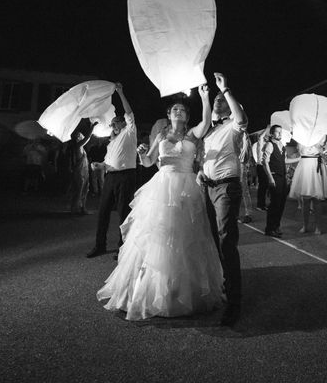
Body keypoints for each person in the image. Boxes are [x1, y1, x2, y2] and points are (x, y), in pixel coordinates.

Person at [97, 85, 224, 320]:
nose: (178, 111)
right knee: (159, 237)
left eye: (182, 110)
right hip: (162, 186)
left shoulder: (192, 135)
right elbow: (147, 162)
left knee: (186, 237)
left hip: (186, 189)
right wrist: (142, 151)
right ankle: (154, 289)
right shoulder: (161, 136)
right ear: (168, 115)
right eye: (174, 109)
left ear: (186, 116)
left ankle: (182, 290)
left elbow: (206, 122)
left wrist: (205, 97)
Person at [197, 73, 248, 326]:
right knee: (214, 240)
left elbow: (242, 119)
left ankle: (235, 302)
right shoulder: (208, 130)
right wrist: (200, 170)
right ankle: (223, 286)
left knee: (227, 241)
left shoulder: (233, 125)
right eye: (216, 98)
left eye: (222, 99)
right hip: (207, 187)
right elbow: (205, 157)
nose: (218, 100)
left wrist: (225, 89)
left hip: (227, 188)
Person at [86, 83, 137, 259]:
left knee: (123, 212)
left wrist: (121, 93)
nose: (113, 125)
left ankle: (123, 247)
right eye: (112, 124)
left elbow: (129, 113)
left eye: (116, 122)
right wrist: (99, 165)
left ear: (123, 123)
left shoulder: (129, 133)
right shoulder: (112, 142)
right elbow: (109, 162)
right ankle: (99, 245)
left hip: (125, 177)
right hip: (111, 177)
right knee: (103, 211)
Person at [288, 136, 327, 235]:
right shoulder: (301, 136)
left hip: (315, 164)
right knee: (305, 200)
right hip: (305, 165)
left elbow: (321, 148)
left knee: (317, 200)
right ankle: (305, 225)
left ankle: (318, 227)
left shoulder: (319, 135)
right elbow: (300, 149)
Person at [262, 125, 299, 237]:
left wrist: (300, 159)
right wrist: (270, 178)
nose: (279, 134)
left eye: (280, 132)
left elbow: (285, 161)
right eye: (277, 132)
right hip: (275, 177)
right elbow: (265, 162)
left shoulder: (281, 146)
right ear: (272, 134)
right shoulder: (269, 145)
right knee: (274, 204)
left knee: (281, 204)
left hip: (282, 178)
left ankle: (276, 227)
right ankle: (269, 229)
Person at [67, 122, 96, 214]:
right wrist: (92, 128)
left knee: (85, 190)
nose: (82, 135)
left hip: (84, 171)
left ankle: (82, 207)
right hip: (79, 172)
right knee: (79, 190)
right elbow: (88, 138)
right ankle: (75, 208)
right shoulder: (78, 146)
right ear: (77, 138)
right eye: (80, 135)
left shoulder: (81, 147)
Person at [237, 131, 254, 224]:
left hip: (239, 163)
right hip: (240, 163)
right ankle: (247, 214)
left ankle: (248, 214)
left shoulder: (242, 134)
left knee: (243, 190)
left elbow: (245, 151)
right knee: (242, 190)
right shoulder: (244, 135)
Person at [254, 127, 270, 211]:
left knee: (264, 186)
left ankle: (262, 204)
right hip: (261, 166)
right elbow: (261, 137)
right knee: (263, 186)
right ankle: (260, 205)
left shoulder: (266, 145)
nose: (267, 137)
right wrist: (267, 128)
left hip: (263, 166)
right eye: (266, 136)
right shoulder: (259, 144)